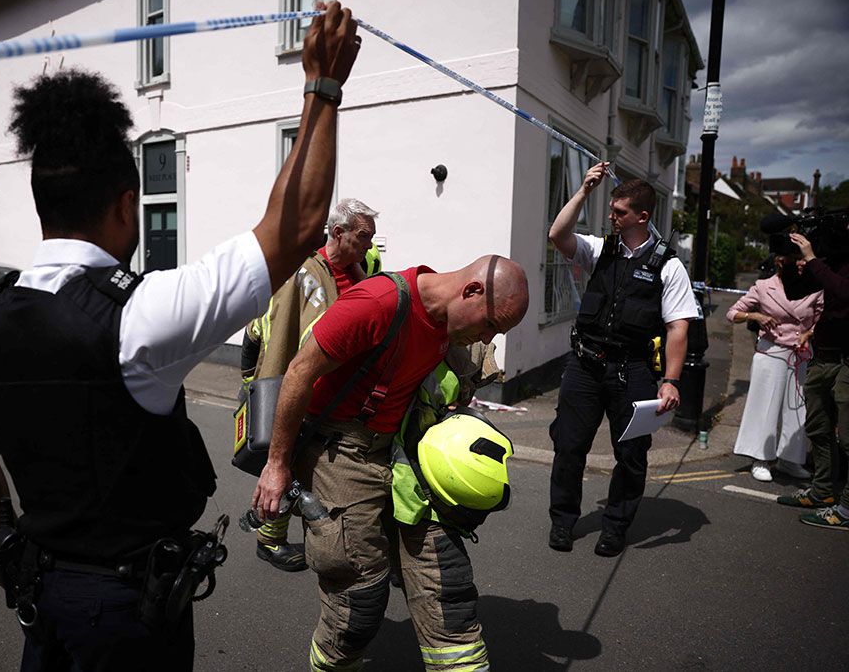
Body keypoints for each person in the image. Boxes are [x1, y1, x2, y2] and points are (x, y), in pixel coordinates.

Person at [0, 1, 361, 671]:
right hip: (128, 610)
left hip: (44, 591)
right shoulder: (143, 314)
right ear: (122, 204)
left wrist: (11, 535)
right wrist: (323, 85)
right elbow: (300, 225)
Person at [253, 255, 529, 671]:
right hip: (340, 451)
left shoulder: (448, 325)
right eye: (490, 324)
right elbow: (298, 374)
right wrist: (277, 466)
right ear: (471, 291)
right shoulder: (377, 303)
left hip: (401, 452)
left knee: (446, 581)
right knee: (357, 598)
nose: (486, 336)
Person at [546, 163, 698, 557]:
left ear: (642, 217)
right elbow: (557, 235)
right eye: (611, 210)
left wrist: (672, 380)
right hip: (585, 365)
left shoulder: (669, 265)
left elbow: (678, 328)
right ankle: (562, 522)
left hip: (633, 370)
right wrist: (582, 191)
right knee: (568, 446)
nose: (611, 217)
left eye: (619, 213)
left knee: (631, 455)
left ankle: (615, 526)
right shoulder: (600, 249)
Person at [242, 198, 378, 571]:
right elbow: (266, 327)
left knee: (307, 464)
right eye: (364, 237)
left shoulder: (358, 269)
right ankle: (269, 539)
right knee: (286, 460)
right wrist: (253, 381)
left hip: (341, 388)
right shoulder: (305, 273)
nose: (370, 245)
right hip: (303, 384)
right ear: (339, 232)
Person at [726, 253, 822, 481]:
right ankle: (760, 458)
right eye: (796, 258)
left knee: (797, 408)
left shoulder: (815, 287)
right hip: (771, 352)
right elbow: (732, 313)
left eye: (803, 259)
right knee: (765, 405)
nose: (801, 263)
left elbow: (823, 317)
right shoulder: (763, 286)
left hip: (800, 354)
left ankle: (791, 460)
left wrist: (809, 333)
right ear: (781, 261)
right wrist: (756, 316)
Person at [777, 230, 849, 530]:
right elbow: (796, 292)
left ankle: (845, 508)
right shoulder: (833, 260)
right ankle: (822, 492)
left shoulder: (830, 264)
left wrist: (813, 260)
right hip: (825, 356)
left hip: (847, 360)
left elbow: (844, 293)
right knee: (818, 428)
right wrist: (792, 265)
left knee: (847, 438)